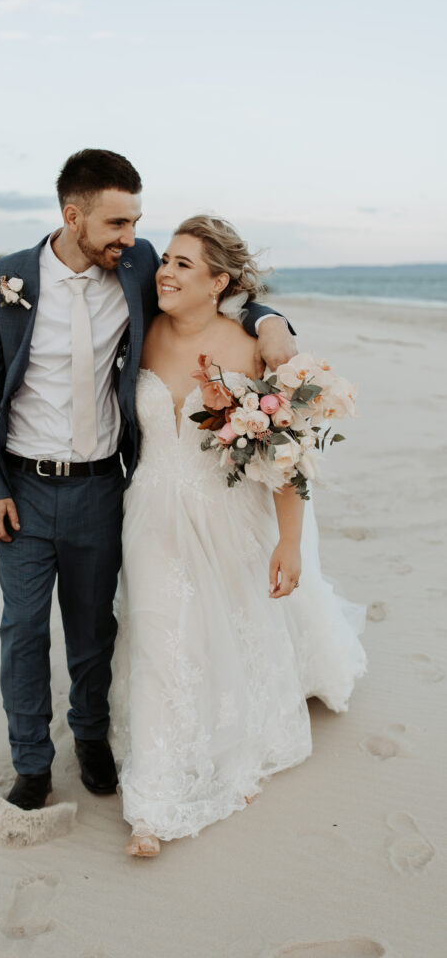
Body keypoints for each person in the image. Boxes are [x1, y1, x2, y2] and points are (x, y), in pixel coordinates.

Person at [0, 152, 297, 811]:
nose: (131, 235)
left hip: (101, 488)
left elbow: (218, 292)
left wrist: (271, 321)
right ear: (72, 216)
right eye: (117, 222)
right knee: (22, 629)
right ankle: (31, 762)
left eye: (136, 220)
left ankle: (90, 738)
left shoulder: (139, 265)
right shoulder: (0, 282)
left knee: (94, 629)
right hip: (21, 490)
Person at [108, 215, 367, 857]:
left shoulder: (255, 348)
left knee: (229, 633)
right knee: (160, 640)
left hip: (228, 517)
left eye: (183, 264)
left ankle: (240, 744)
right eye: (165, 259)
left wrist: (287, 542)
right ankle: (153, 801)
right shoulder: (140, 332)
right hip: (150, 512)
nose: (164, 271)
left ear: (218, 281)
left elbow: (288, 456)